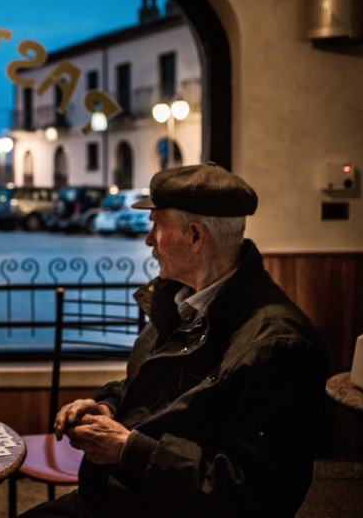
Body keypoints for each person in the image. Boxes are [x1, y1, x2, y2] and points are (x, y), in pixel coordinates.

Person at [20, 163, 328, 518]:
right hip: (119, 498)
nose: (148, 239)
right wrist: (106, 406)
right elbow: (149, 388)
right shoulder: (183, 301)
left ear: (195, 236)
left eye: (156, 225)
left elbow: (255, 495)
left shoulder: (278, 345)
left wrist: (129, 448)